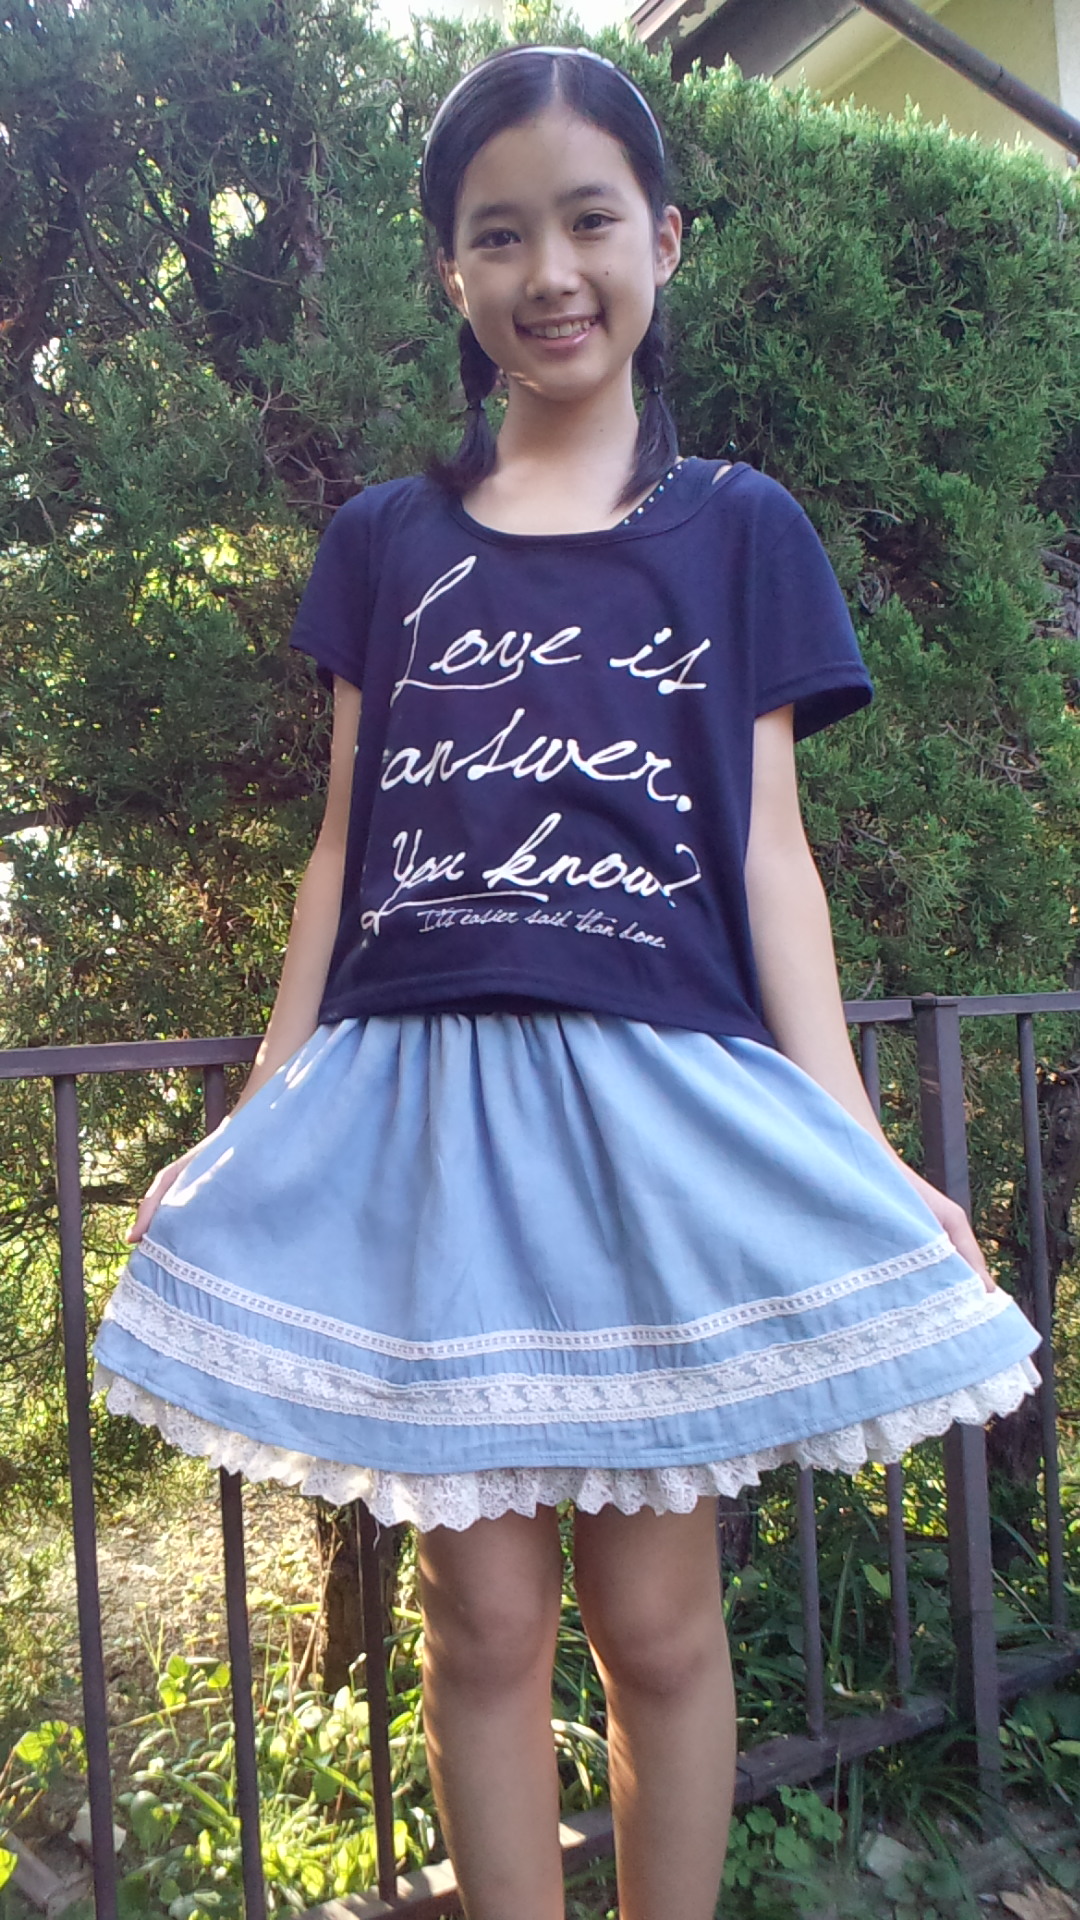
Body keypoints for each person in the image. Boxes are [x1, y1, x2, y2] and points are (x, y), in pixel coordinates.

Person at [93, 44, 1041, 1920]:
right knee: (481, 1623)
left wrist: (861, 1148)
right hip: (426, 1122)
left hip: (648, 1119)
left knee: (663, 1626)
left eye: (589, 221)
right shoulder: (385, 540)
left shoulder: (742, 529)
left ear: (661, 241)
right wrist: (257, 1114)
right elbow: (343, 849)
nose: (551, 271)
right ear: (452, 269)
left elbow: (772, 857)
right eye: (500, 232)